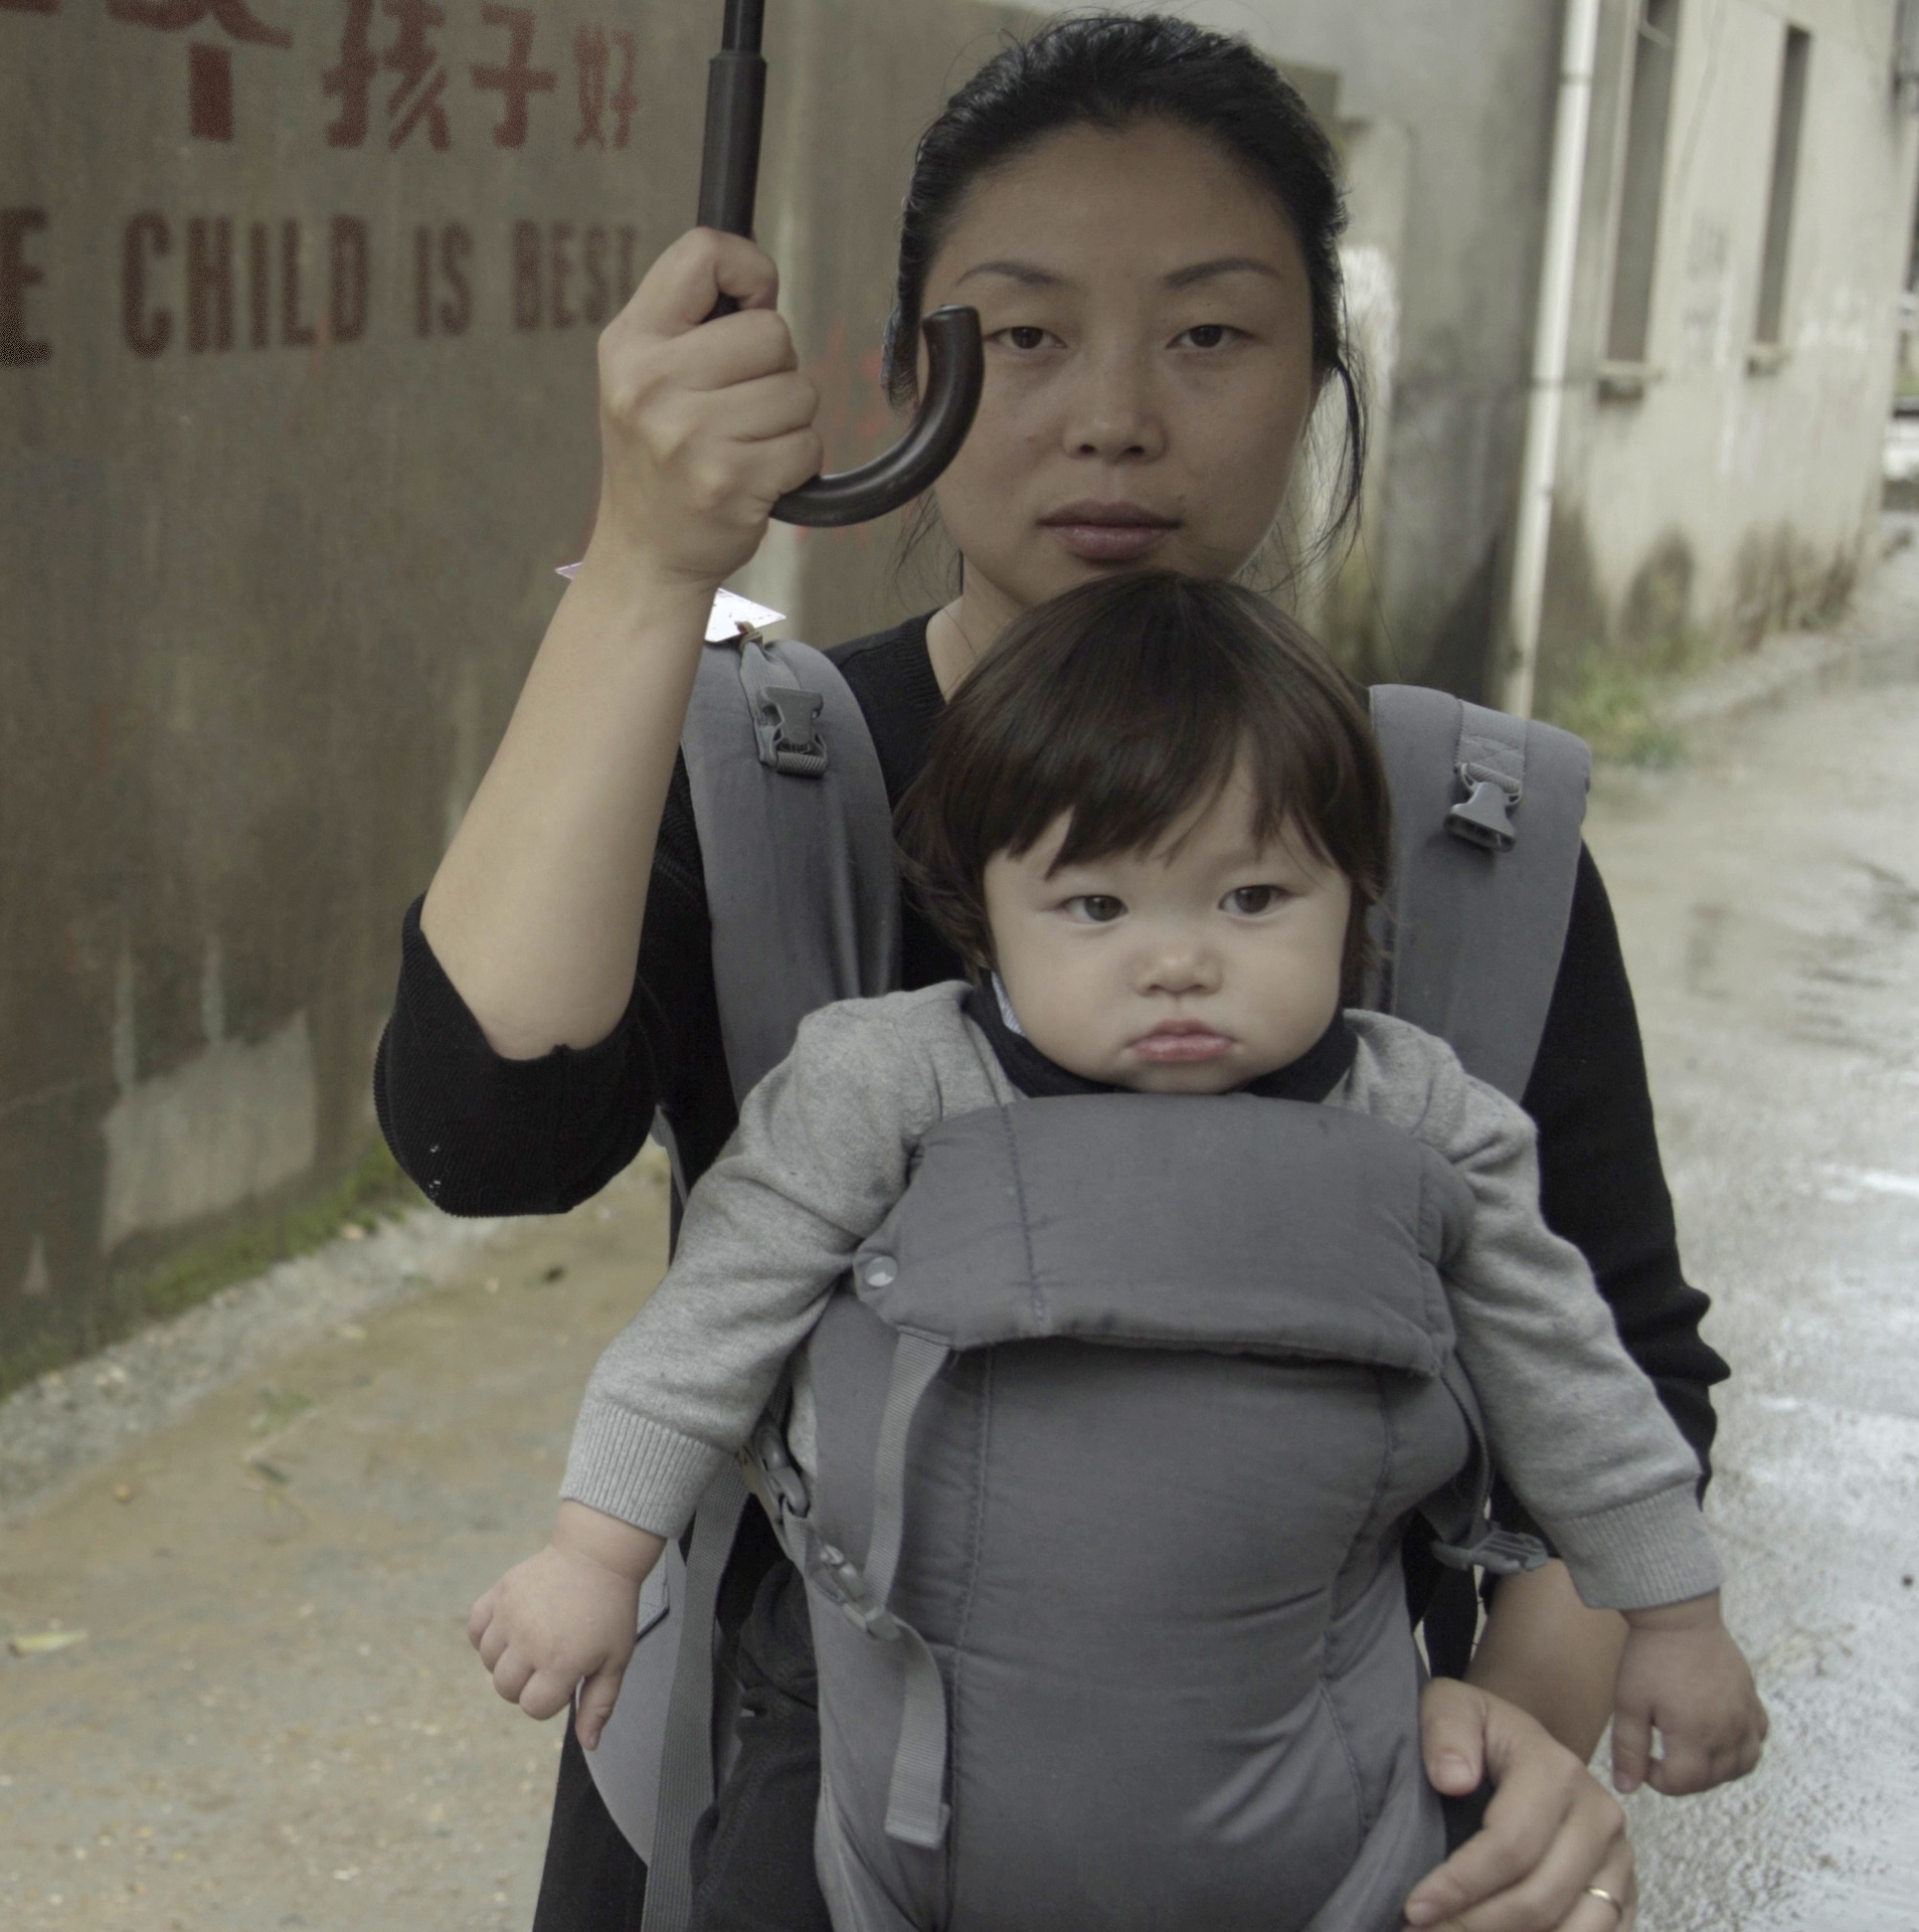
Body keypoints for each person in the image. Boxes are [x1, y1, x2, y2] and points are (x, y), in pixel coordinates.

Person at [379, 13, 1731, 1932]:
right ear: (906, 374)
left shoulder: (1459, 830)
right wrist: (650, 560)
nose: (1114, 414)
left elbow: (1626, 1365)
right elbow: (481, 1130)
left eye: (1210, 332)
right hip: (775, 1833)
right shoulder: (764, 775)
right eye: (1020, 335)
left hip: (1306, 1845)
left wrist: (1517, 1741)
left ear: (1317, 377)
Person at [465, 572, 1764, 1925]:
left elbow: (1576, 1380)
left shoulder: (1424, 1115)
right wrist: (593, 1555)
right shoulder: (891, 1084)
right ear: (983, 908)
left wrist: (1673, 1616)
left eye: (1253, 896)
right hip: (884, 1729)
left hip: (1299, 1741)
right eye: (1098, 908)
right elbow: (708, 1324)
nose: (1179, 962)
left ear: (1357, 895)